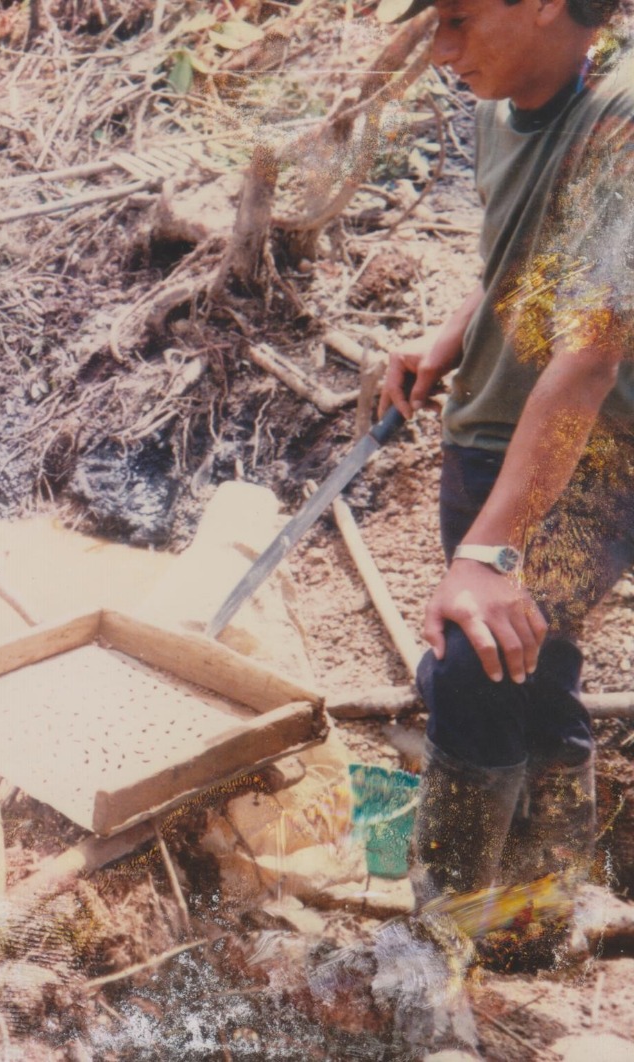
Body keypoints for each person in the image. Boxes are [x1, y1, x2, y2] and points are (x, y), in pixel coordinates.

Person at [376, 0, 633, 960]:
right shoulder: (500, 101)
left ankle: (438, 957)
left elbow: (592, 356)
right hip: (494, 433)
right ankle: (534, 919)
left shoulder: (620, 122)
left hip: (582, 454)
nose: (438, 49)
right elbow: (510, 259)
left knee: (477, 669)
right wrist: (446, 340)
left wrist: (490, 549)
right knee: (530, 667)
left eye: (454, 19)